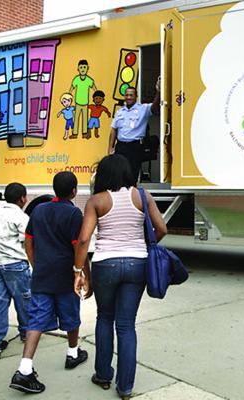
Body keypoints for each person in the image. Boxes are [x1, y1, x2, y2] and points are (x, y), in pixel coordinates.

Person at [74, 154, 167, 399]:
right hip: (137, 264)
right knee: (126, 325)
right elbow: (162, 228)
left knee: (105, 318)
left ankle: (103, 375)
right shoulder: (143, 196)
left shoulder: (97, 201)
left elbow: (83, 239)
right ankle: (125, 387)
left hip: (106, 264)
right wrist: (143, 248)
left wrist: (79, 272)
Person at [10, 172, 88, 394]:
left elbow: (29, 241)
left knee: (36, 320)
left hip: (42, 276)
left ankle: (24, 368)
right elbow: (79, 246)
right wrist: (81, 273)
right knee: (71, 316)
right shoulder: (74, 213)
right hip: (65, 276)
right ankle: (73, 353)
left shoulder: (39, 210)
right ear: (74, 191)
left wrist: (36, 264)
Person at [0, 182, 31, 356]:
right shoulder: (21, 217)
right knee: (24, 300)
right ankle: (27, 333)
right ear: (22, 198)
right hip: (15, 264)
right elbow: (27, 240)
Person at [108, 80, 160, 184]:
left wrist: (159, 92)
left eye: (131, 95)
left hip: (135, 147)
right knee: (119, 174)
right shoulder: (120, 112)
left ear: (136, 96)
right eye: (127, 95)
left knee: (132, 175)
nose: (128, 97)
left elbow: (154, 107)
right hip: (121, 147)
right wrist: (110, 148)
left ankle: (131, 196)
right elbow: (113, 130)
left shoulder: (143, 109)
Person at [69, 59, 97, 138]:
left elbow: (94, 88)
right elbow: (72, 88)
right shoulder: (76, 79)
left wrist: (97, 95)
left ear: (88, 68)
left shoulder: (88, 80)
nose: (83, 69)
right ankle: (75, 133)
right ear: (78, 69)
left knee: (85, 118)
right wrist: (69, 96)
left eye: (84, 67)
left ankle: (84, 133)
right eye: (81, 67)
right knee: (76, 118)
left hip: (85, 103)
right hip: (77, 103)